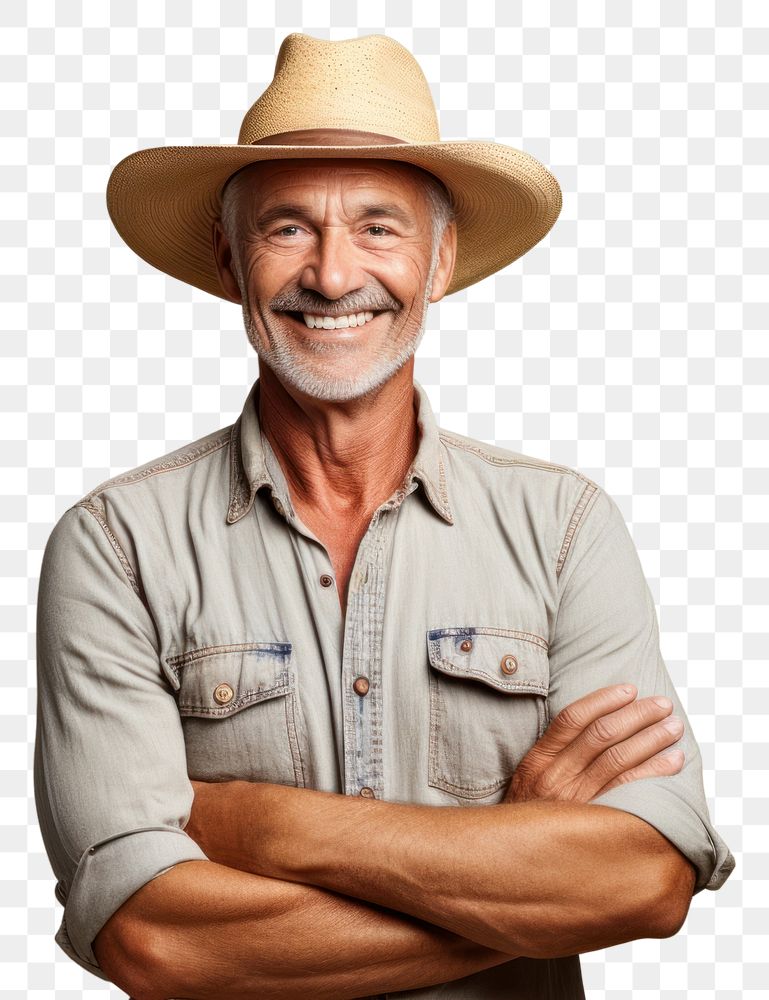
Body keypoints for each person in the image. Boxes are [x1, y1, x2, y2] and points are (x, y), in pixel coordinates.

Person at [34, 31, 734, 1000]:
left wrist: (263, 827)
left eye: (378, 226)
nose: (329, 275)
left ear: (440, 260)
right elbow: (154, 940)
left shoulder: (563, 524)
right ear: (229, 259)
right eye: (287, 228)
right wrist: (521, 866)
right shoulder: (115, 545)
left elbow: (646, 879)